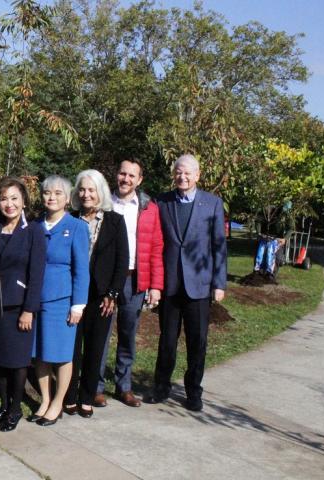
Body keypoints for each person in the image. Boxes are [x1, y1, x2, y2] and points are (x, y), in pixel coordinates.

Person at [146, 154, 227, 412]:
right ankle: (161, 387)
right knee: (167, 341)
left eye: (188, 173)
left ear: (197, 175)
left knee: (197, 342)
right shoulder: (162, 202)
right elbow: (157, 242)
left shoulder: (212, 203)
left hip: (199, 286)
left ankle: (193, 392)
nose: (182, 177)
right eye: (179, 172)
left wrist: (219, 283)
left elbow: (219, 246)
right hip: (170, 285)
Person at [93, 158, 164, 408]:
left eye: (132, 176)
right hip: (106, 281)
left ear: (140, 180)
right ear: (117, 175)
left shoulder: (148, 208)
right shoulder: (103, 203)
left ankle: (124, 386)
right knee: (101, 334)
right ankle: (96, 386)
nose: (126, 179)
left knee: (127, 334)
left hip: (135, 280)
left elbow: (156, 248)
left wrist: (156, 285)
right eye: (123, 174)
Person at [64, 169, 129, 419]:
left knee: (95, 348)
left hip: (102, 297)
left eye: (91, 190)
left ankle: (87, 396)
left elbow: (122, 261)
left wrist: (112, 294)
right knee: (72, 348)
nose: (86, 194)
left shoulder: (114, 221)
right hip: (73, 295)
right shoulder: (70, 219)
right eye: (82, 189)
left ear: (100, 192)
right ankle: (69, 395)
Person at [0, 177, 46, 432]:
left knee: (18, 362)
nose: (9, 204)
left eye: (14, 198)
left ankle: (15, 408)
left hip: (19, 307)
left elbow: (37, 274)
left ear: (23, 201)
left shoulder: (33, 231)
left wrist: (29, 310)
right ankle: (2, 405)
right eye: (3, 198)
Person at [30, 175, 90, 426]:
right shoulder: (35, 226)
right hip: (35, 299)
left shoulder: (77, 227)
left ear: (67, 198)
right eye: (46, 192)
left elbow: (81, 269)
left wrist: (79, 304)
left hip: (62, 301)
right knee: (40, 354)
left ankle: (58, 403)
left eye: (57, 193)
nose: (51, 197)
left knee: (62, 354)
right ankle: (45, 399)